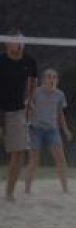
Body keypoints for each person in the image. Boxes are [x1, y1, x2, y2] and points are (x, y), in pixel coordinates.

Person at [1, 31, 38, 202]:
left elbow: (33, 80)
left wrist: (30, 101)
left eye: (22, 41)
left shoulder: (29, 61)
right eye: (16, 41)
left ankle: (9, 193)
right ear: (7, 43)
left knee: (19, 152)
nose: (20, 44)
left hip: (16, 111)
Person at [24, 68, 73, 194]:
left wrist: (66, 130)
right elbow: (27, 109)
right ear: (43, 80)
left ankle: (66, 189)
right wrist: (26, 129)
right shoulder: (35, 92)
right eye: (49, 77)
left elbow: (60, 114)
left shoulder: (60, 94)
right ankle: (27, 190)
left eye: (54, 77)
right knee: (34, 161)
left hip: (52, 129)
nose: (52, 79)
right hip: (35, 129)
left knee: (61, 159)